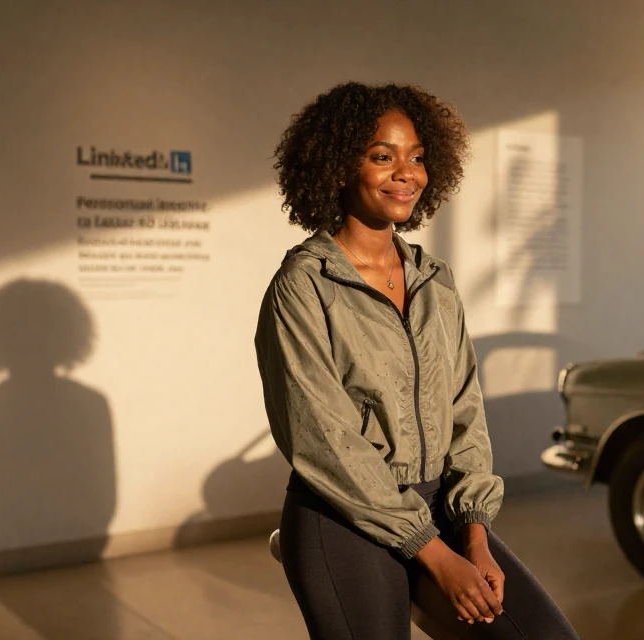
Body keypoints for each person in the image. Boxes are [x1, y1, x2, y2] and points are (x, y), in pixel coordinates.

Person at [254, 81, 579, 639]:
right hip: (342, 518)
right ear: (338, 166)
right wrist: (435, 554)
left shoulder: (434, 281)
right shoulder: (304, 286)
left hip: (439, 508)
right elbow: (324, 441)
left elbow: (465, 411)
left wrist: (474, 532)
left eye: (418, 157)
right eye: (383, 156)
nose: (407, 173)